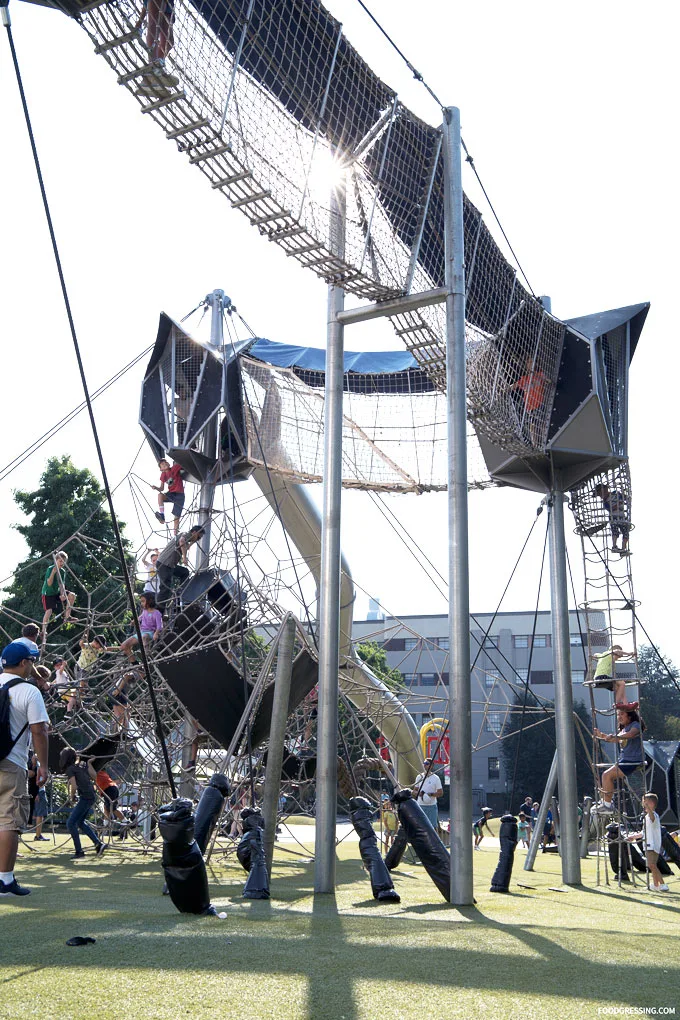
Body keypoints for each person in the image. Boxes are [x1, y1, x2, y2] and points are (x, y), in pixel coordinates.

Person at [0, 640, 49, 897]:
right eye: (31, 661)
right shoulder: (29, 691)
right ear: (23, 663)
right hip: (12, 762)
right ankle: (5, 880)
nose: (33, 666)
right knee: (8, 821)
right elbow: (39, 730)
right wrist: (43, 765)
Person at [594, 707, 645, 814]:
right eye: (618, 715)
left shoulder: (635, 725)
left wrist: (615, 736)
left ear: (629, 716)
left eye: (622, 714)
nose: (619, 717)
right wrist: (602, 735)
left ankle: (607, 805)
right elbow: (615, 739)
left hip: (632, 760)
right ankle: (606, 802)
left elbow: (630, 735)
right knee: (603, 777)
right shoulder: (623, 730)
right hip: (624, 760)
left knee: (607, 776)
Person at [59, 748, 105, 859]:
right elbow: (94, 776)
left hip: (86, 797)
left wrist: (71, 797)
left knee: (70, 823)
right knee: (79, 822)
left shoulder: (70, 769)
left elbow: (74, 786)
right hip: (91, 795)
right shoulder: (81, 766)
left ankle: (79, 851)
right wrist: (89, 763)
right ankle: (98, 844)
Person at [155, 525, 204, 610]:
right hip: (164, 564)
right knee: (165, 589)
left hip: (169, 565)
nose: (198, 539)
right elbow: (182, 541)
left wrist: (193, 541)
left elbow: (186, 546)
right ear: (194, 532)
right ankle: (158, 612)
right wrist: (184, 557)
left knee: (184, 572)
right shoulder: (185, 534)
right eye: (198, 537)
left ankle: (180, 593)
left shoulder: (187, 537)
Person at [627, 793, 667, 892]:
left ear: (652, 804)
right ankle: (655, 884)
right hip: (649, 844)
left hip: (653, 845)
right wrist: (633, 837)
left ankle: (663, 884)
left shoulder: (654, 815)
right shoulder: (646, 817)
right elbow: (643, 833)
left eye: (646, 802)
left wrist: (648, 808)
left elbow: (652, 817)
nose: (644, 804)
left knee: (652, 865)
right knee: (651, 865)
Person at [510, 356, 550, 447]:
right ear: (526, 366)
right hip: (530, 406)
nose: (531, 364)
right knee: (533, 425)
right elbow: (515, 385)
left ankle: (545, 442)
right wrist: (506, 388)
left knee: (541, 423)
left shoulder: (539, 375)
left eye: (532, 362)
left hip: (539, 403)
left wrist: (547, 381)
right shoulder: (524, 379)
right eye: (529, 363)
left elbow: (546, 379)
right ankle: (535, 444)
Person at [118, 593, 164, 660]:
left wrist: (156, 634)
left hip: (150, 633)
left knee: (145, 637)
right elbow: (140, 617)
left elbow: (160, 626)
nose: (141, 603)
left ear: (150, 601)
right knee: (124, 646)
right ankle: (135, 663)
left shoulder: (156, 613)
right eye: (141, 602)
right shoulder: (144, 611)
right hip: (141, 632)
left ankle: (146, 654)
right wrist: (134, 621)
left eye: (143, 601)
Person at [40, 551, 76, 634]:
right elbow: (49, 583)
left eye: (64, 561)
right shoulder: (50, 569)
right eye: (60, 561)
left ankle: (67, 617)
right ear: (55, 561)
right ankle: (43, 631)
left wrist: (62, 594)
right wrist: (53, 572)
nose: (62, 563)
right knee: (49, 611)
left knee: (72, 595)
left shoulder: (63, 571)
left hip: (56, 592)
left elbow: (61, 584)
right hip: (48, 593)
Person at [594, 482, 631, 556]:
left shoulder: (615, 494)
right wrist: (619, 503)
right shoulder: (605, 501)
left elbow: (625, 497)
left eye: (601, 494)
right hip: (613, 517)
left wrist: (625, 498)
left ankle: (623, 548)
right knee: (615, 532)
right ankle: (614, 546)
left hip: (622, 517)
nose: (601, 496)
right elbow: (611, 509)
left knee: (625, 533)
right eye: (600, 495)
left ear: (605, 490)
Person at [154, 459, 185, 535]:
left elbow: (182, 462)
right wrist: (156, 488)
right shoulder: (163, 475)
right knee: (160, 495)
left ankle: (175, 534)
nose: (165, 464)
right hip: (171, 493)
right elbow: (161, 488)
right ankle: (162, 515)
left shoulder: (174, 468)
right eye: (163, 465)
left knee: (176, 517)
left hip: (179, 495)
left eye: (166, 463)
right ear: (161, 469)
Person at [412, 757, 443, 829]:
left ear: (431, 765)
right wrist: (420, 794)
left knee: (433, 827)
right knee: (420, 826)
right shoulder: (419, 777)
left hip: (431, 806)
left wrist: (431, 794)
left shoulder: (436, 778)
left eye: (426, 764)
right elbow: (414, 791)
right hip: (420, 805)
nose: (424, 765)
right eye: (424, 763)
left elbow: (440, 793)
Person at [28, 751, 49, 841]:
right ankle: (38, 835)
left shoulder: (36, 766)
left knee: (39, 814)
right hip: (39, 792)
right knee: (40, 815)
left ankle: (38, 834)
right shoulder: (38, 767)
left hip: (38, 792)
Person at [110, 669, 138, 735]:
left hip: (115, 692)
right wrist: (119, 690)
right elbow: (126, 676)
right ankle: (124, 733)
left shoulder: (133, 674)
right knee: (126, 714)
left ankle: (115, 731)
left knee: (119, 715)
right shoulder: (137, 673)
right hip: (119, 693)